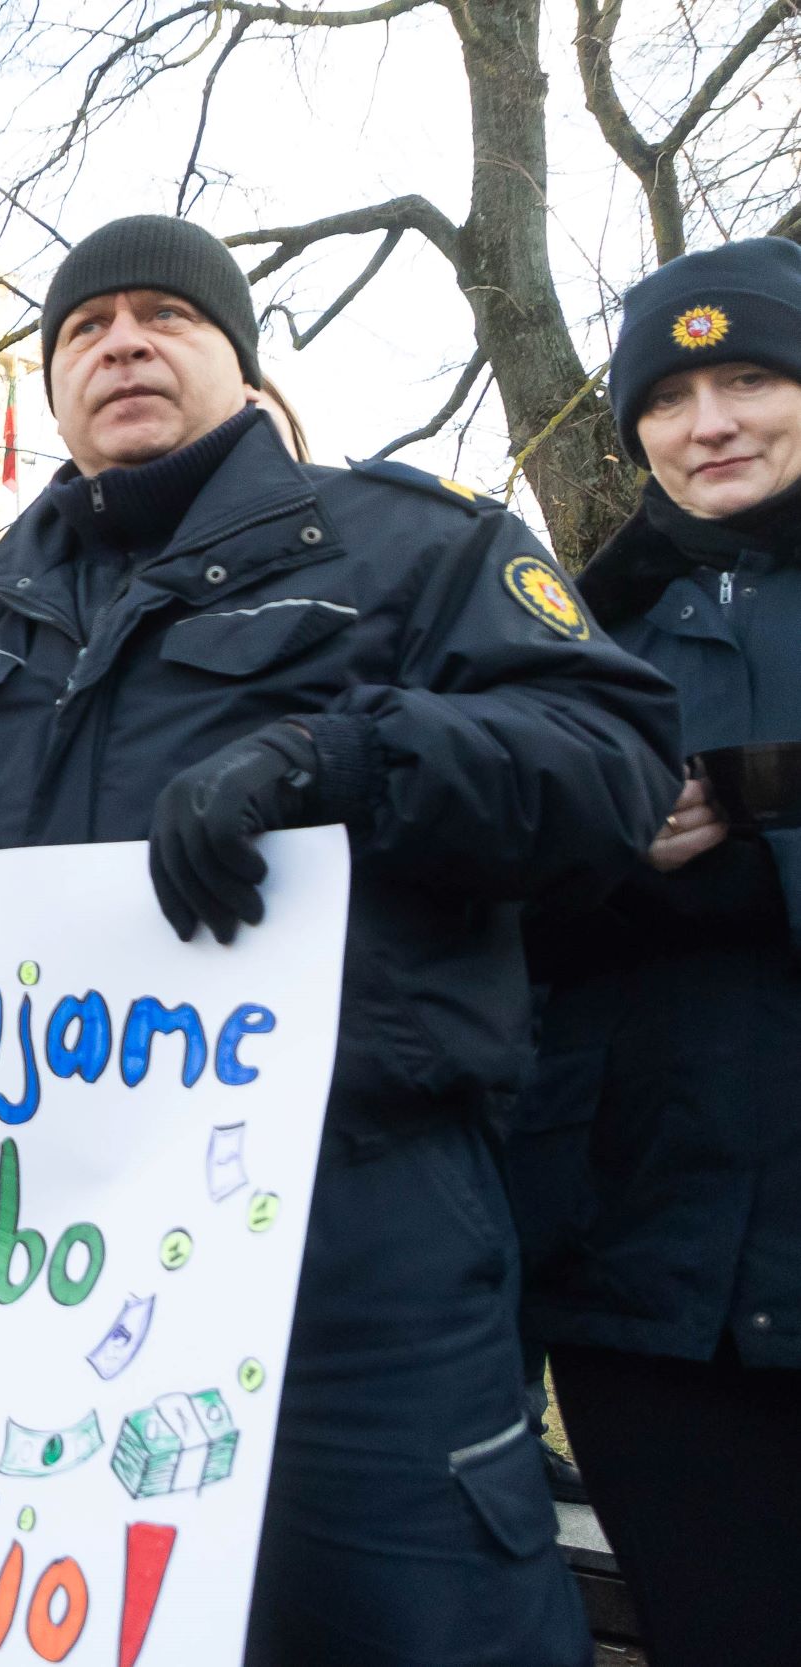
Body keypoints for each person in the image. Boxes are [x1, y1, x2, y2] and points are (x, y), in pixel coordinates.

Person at [0, 215, 679, 1667]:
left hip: (353, 1246)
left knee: (415, 1624)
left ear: (236, 358)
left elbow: (607, 758)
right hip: (39, 1248)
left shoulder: (418, 544)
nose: (123, 341)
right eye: (85, 327)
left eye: (166, 314)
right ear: (52, 385)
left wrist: (349, 758)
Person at [508, 236, 801, 1667]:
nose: (714, 421)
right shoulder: (580, 638)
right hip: (641, 1281)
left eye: (752, 375)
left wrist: (755, 854)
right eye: (672, 397)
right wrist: (607, 882)